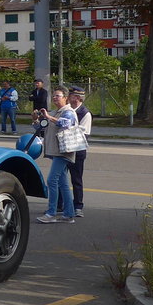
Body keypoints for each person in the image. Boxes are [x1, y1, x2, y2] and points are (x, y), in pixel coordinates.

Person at [36, 87, 78, 223]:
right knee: (63, 183)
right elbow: (42, 128)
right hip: (57, 152)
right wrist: (36, 120)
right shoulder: (55, 112)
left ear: (65, 97)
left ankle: (51, 213)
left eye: (58, 96)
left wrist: (49, 117)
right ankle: (69, 214)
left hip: (63, 152)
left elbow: (65, 124)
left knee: (52, 180)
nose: (55, 98)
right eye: (53, 96)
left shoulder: (68, 112)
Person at [67, 87, 92, 217]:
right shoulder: (67, 110)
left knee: (76, 179)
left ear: (77, 98)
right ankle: (61, 204)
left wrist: (66, 126)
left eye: (71, 95)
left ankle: (78, 206)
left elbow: (83, 132)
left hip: (77, 150)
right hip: (65, 150)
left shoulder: (85, 113)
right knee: (60, 178)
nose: (68, 97)